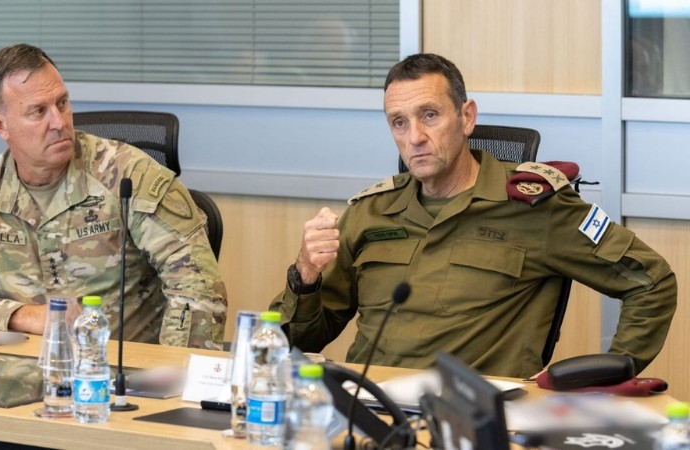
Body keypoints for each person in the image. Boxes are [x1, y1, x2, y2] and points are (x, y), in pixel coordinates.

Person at [270, 53, 676, 378]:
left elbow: (651, 281)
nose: (415, 137)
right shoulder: (369, 212)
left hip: (472, 420)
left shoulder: (536, 207)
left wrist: (609, 379)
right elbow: (301, 342)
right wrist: (305, 275)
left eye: (430, 115)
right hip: (368, 409)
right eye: (399, 123)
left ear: (466, 117)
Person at [0, 43, 227, 350]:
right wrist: (19, 316)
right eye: (38, 111)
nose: (59, 122)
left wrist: (170, 370)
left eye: (62, 103)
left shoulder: (130, 177)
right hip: (14, 373)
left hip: (118, 371)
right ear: (1, 126)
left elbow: (196, 285)